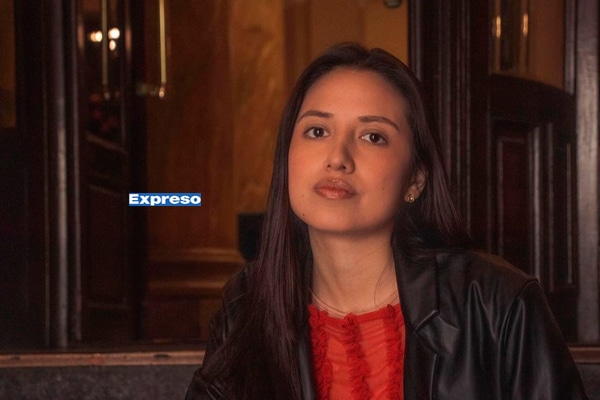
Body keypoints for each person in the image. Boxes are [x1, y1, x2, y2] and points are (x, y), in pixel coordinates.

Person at [185, 43, 588, 399]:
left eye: (372, 136)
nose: (337, 158)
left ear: (415, 180)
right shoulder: (247, 305)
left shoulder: (496, 303)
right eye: (317, 131)